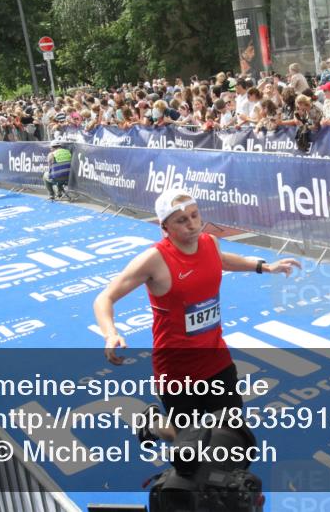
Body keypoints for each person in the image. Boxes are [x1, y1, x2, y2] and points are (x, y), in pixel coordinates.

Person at [92, 189, 301, 441]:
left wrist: (264, 266)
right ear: (165, 226)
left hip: (217, 360)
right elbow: (104, 298)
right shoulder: (154, 260)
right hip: (177, 370)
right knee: (188, 441)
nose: (192, 225)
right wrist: (110, 333)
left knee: (230, 435)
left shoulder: (209, 242)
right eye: (182, 221)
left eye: (195, 216)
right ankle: (153, 425)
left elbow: (221, 259)